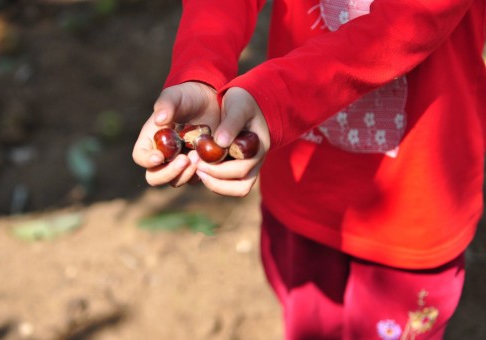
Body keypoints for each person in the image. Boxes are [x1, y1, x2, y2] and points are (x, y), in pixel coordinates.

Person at [133, 0, 486, 338]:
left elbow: (410, 21)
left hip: (416, 202)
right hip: (302, 186)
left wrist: (274, 98)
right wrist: (201, 67)